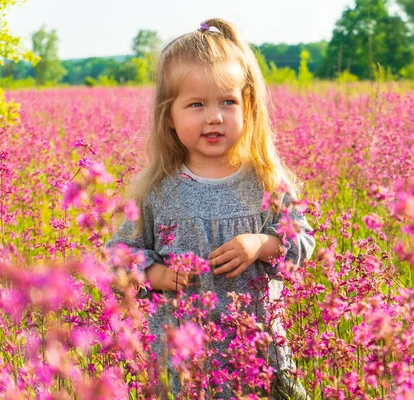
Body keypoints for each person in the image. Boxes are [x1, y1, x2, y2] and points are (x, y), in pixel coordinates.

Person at [106, 18, 315, 399]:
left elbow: (302, 239)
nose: (214, 116)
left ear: (248, 107)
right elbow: (118, 254)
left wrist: (261, 244)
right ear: (169, 115)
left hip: (262, 354)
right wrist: (154, 274)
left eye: (228, 102)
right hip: (186, 366)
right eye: (196, 104)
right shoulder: (157, 192)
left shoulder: (266, 181)